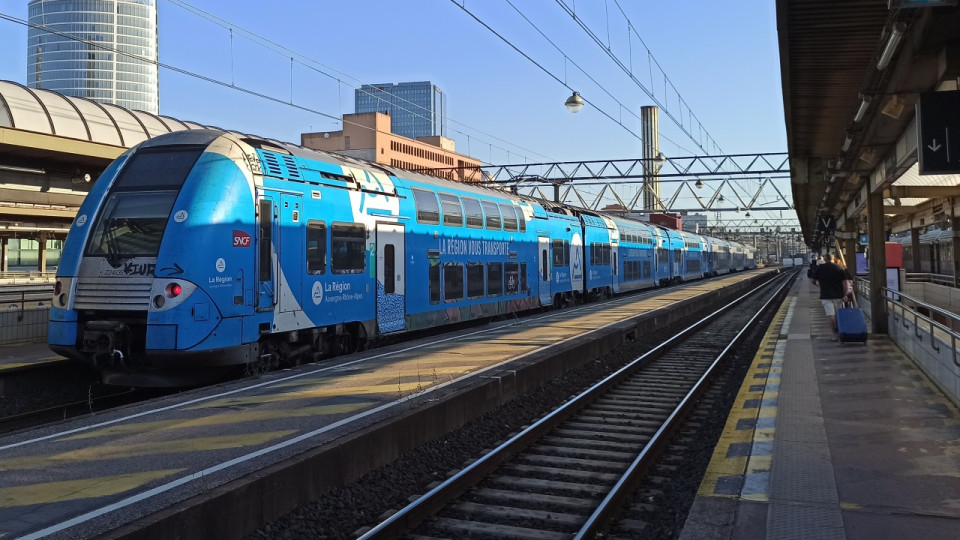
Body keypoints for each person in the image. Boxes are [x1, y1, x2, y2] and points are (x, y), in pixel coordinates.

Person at [813, 253, 854, 340]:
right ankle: (841, 331)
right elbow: (845, 283)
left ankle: (835, 334)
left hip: (825, 295)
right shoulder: (839, 268)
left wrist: (819, 285)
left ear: (825, 259)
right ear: (833, 259)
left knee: (830, 315)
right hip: (838, 295)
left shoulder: (820, 268)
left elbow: (813, 281)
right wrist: (845, 294)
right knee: (838, 314)